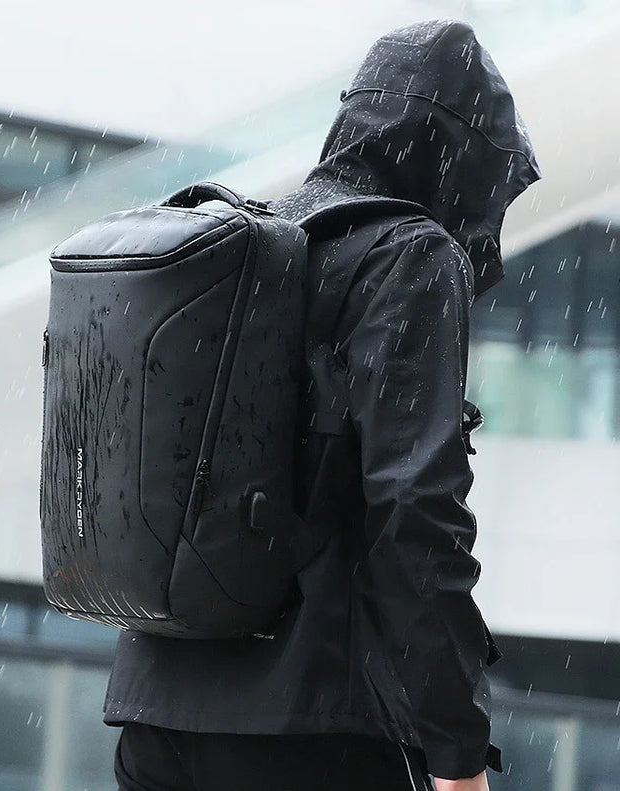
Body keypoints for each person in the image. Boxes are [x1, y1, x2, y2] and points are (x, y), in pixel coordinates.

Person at [104, 20, 540, 790]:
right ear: (461, 156)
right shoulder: (410, 253)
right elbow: (415, 510)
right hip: (312, 728)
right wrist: (459, 747)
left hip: (159, 711)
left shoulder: (257, 239)